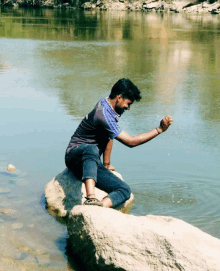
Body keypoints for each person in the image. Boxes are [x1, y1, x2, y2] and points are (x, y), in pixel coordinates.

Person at [65, 78, 173, 208]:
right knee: (91, 149)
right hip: (74, 156)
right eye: (128, 103)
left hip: (90, 163)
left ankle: (99, 208)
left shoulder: (108, 104)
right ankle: (90, 198)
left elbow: (109, 135)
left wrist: (106, 164)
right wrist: (159, 129)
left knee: (124, 190)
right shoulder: (103, 114)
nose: (128, 108)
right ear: (119, 97)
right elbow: (131, 141)